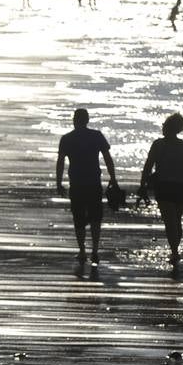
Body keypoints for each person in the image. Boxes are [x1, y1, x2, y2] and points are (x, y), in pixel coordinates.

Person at [138, 113, 183, 267]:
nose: (162, 127)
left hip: (164, 185)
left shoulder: (158, 145)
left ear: (168, 127)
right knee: (176, 219)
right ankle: (175, 249)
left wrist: (142, 184)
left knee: (170, 220)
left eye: (164, 125)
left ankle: (175, 251)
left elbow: (148, 166)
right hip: (181, 186)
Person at [56, 108, 118, 269]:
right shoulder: (96, 136)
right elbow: (107, 158)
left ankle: (82, 250)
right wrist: (113, 178)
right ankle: (95, 250)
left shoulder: (67, 139)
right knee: (95, 217)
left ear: (74, 120)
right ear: (87, 120)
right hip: (93, 182)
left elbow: (61, 162)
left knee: (79, 217)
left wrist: (58, 182)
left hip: (76, 183)